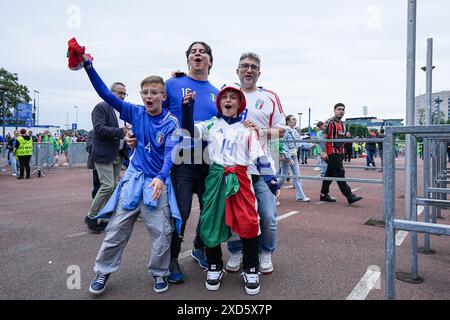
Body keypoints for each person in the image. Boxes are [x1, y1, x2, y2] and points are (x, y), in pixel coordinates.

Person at [73, 47, 180, 295]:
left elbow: (169, 155)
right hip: (133, 179)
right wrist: (89, 67)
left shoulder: (171, 123)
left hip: (156, 183)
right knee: (116, 229)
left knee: (162, 233)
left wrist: (162, 179)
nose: (149, 96)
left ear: (163, 96)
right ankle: (102, 271)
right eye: (145, 93)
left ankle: (159, 273)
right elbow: (105, 94)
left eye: (154, 93)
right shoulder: (134, 111)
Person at [194, 83, 279, 295]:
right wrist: (187, 107)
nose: (228, 100)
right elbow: (189, 128)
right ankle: (214, 266)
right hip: (216, 176)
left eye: (233, 97)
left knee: (249, 222)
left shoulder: (247, 129)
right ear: (219, 102)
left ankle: (251, 268)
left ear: (240, 104)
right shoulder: (211, 124)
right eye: (225, 97)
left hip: (241, 177)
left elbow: (259, 155)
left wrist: (270, 180)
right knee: (211, 220)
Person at [152, 41, 219, 284]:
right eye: (193, 52)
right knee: (181, 212)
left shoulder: (217, 92)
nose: (198, 54)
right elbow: (154, 111)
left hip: (208, 160)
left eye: (203, 52)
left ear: (210, 61)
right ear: (188, 59)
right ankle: (172, 259)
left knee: (209, 210)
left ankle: (199, 248)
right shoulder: (173, 83)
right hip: (181, 159)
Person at [226, 52, 285, 275]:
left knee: (268, 216)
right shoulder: (228, 94)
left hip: (262, 168)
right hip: (235, 168)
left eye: (253, 67)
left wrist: (260, 131)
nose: (248, 70)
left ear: (259, 72)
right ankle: (235, 250)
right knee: (234, 215)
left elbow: (281, 129)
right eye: (244, 66)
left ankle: (265, 251)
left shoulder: (270, 97)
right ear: (237, 71)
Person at [83, 82, 129, 234]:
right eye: (119, 92)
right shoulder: (101, 107)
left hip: (118, 153)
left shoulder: (123, 110)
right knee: (108, 186)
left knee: (114, 187)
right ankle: (91, 216)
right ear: (110, 92)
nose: (122, 96)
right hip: (103, 153)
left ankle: (103, 217)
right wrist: (121, 131)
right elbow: (99, 129)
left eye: (124, 93)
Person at [319, 103, 362, 205]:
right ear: (334, 110)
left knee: (329, 173)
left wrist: (346, 136)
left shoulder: (342, 124)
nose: (341, 111)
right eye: (339, 109)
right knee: (339, 173)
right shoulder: (329, 122)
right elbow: (323, 137)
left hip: (339, 152)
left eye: (343, 109)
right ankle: (349, 195)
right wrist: (323, 151)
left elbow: (341, 138)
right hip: (331, 151)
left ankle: (323, 194)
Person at [278, 115, 310, 203]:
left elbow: (300, 142)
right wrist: (288, 157)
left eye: (296, 119)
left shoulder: (295, 132)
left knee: (297, 176)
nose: (295, 121)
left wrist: (310, 145)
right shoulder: (284, 131)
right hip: (286, 157)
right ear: (288, 121)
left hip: (294, 156)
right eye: (293, 119)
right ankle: (273, 191)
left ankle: (300, 196)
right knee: (283, 176)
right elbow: (284, 145)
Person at [85, 129, 101, 199]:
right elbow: (88, 147)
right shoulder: (92, 132)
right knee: (97, 181)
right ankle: (96, 197)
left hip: (108, 160)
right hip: (96, 161)